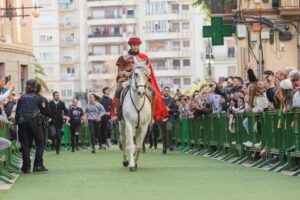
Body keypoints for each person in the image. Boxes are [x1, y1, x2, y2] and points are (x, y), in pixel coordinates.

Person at [113, 36, 168, 122]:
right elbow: (120, 72)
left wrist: (146, 73)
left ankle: (151, 115)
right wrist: (127, 73)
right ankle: (119, 114)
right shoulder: (123, 57)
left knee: (153, 92)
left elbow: (149, 71)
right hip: (126, 80)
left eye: (137, 45)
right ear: (130, 46)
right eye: (134, 45)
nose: (136, 47)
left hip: (141, 80)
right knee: (118, 91)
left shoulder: (144, 57)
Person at [16, 79, 48, 173]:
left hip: (22, 121)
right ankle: (38, 165)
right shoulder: (39, 97)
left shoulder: (21, 97)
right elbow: (44, 112)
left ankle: (26, 167)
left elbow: (18, 111)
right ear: (35, 86)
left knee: (25, 145)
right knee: (40, 142)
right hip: (34, 122)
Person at [161, 86, 178, 154]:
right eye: (165, 91)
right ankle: (164, 147)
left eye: (168, 91)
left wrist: (169, 110)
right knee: (163, 133)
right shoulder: (160, 99)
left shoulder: (172, 100)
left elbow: (176, 110)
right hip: (161, 118)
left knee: (169, 129)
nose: (167, 92)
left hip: (170, 117)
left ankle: (170, 145)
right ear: (163, 91)